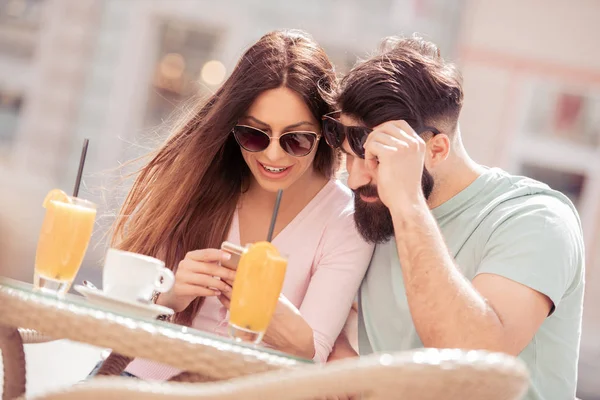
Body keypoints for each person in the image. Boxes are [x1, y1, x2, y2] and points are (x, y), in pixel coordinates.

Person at [289, 36, 585, 400]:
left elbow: (471, 361)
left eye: (377, 159)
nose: (355, 178)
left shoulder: (536, 220)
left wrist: (408, 204)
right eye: (349, 157)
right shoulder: (373, 212)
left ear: (437, 149)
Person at [92, 30, 374, 380]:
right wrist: (172, 296)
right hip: (137, 379)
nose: (272, 155)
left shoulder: (345, 221)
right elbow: (119, 317)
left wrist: (269, 313)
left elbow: (311, 355)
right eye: (254, 134)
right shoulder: (202, 181)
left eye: (296, 139)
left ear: (324, 134)